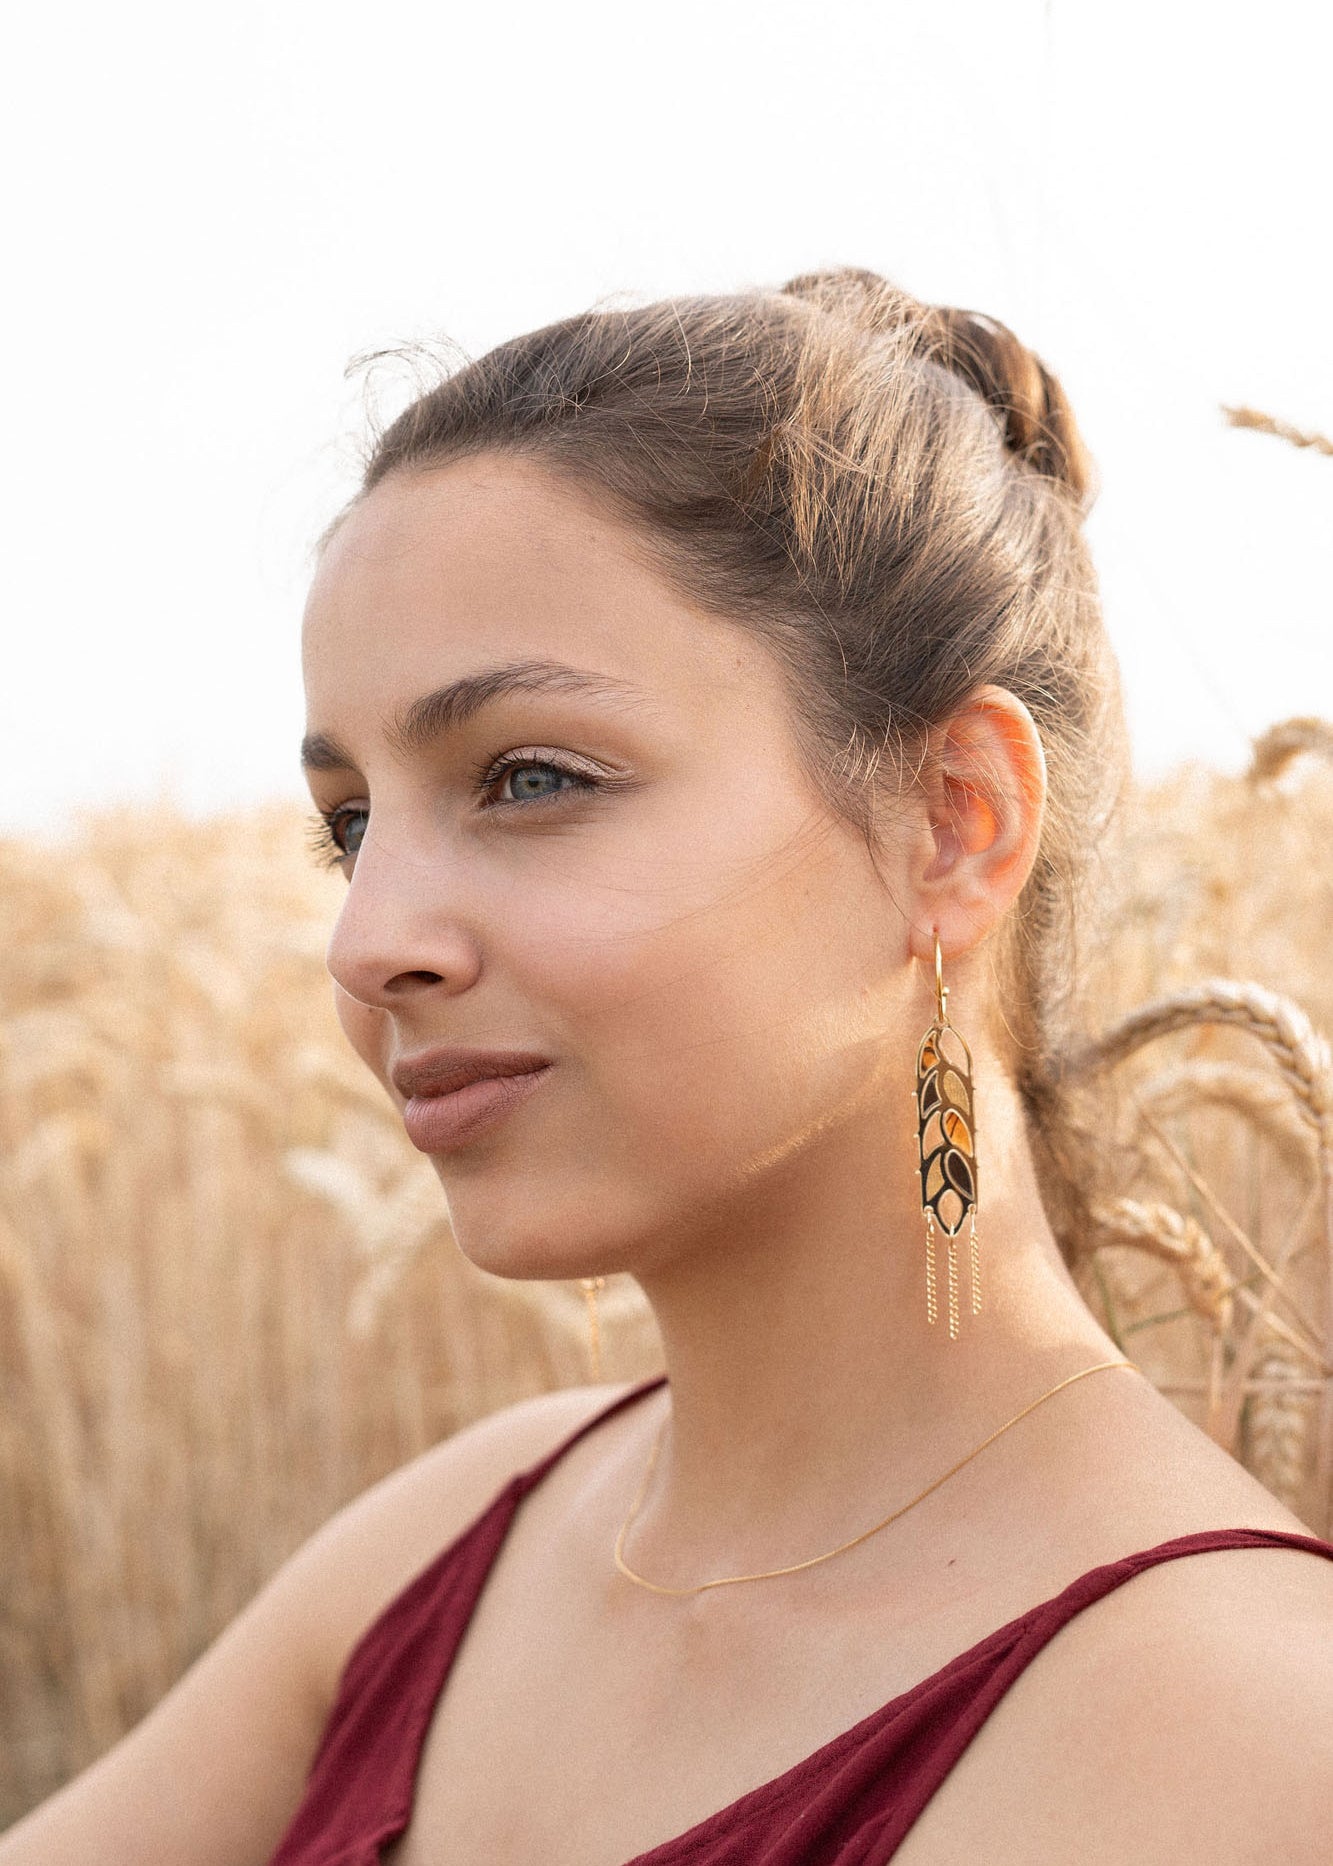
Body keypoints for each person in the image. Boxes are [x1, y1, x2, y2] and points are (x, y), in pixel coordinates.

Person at [4, 267, 1331, 1866]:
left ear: (952, 822)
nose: (367, 938)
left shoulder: (1232, 1724)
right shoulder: (456, 1543)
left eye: (528, 777)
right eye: (351, 823)